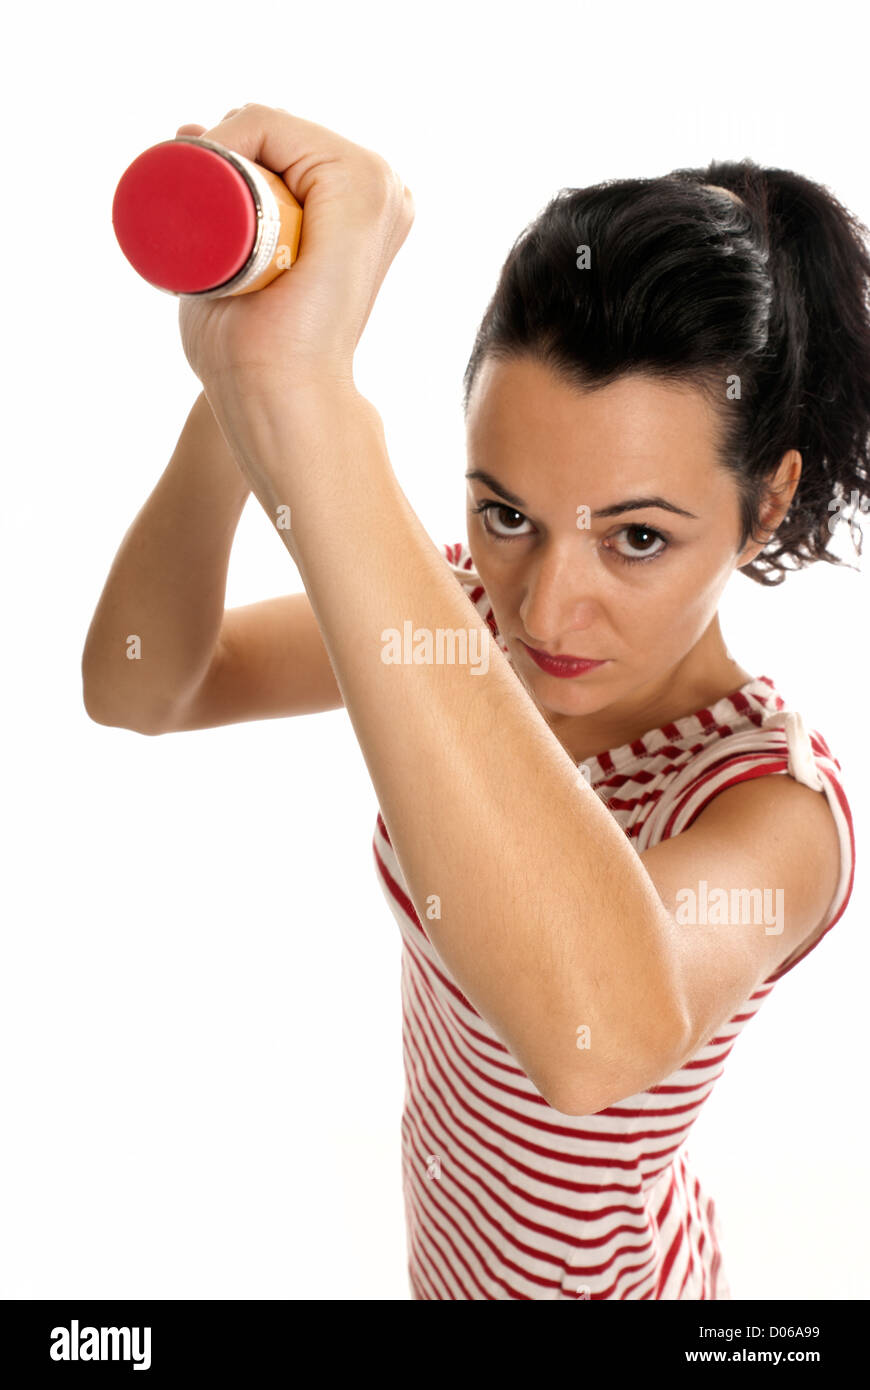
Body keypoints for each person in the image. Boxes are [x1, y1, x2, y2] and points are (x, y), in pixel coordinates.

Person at [82, 105, 869, 1299]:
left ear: (765, 507)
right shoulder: (461, 627)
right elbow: (147, 681)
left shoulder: (776, 807)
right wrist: (240, 394)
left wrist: (318, 413)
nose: (548, 610)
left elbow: (591, 1033)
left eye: (639, 537)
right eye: (506, 513)